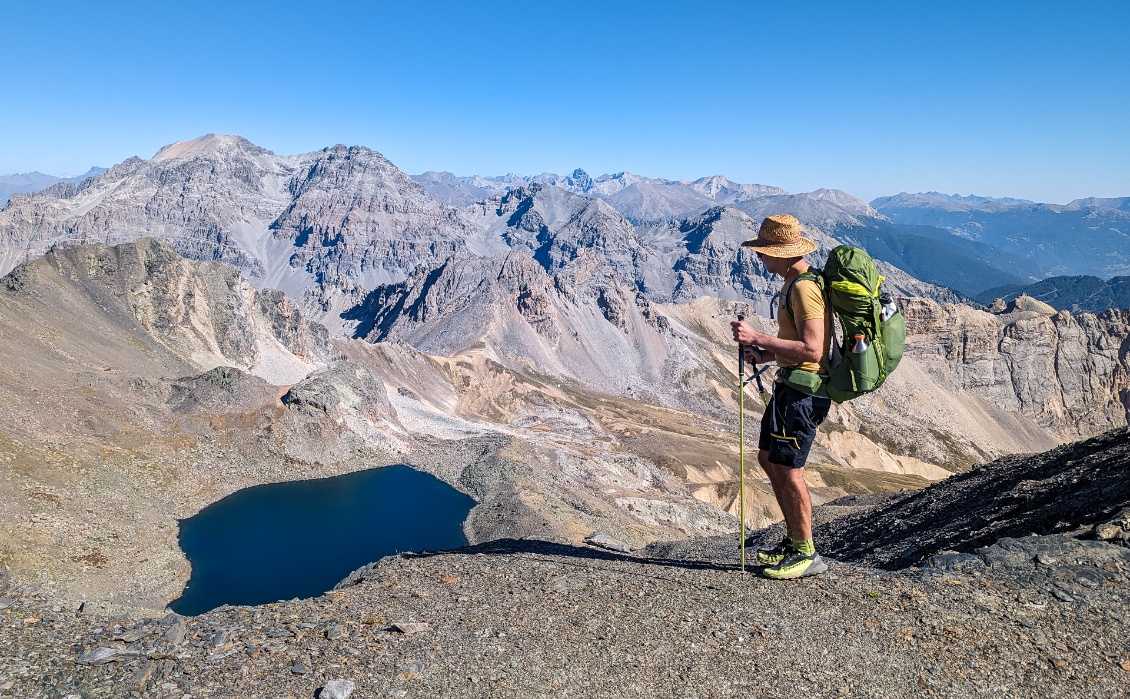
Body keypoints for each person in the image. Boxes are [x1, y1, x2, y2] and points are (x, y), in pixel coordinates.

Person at [730, 214, 832, 579]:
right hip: (790, 385)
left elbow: (814, 349)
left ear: (784, 253)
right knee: (767, 458)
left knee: (790, 470)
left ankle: (806, 553)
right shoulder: (793, 283)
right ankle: (793, 541)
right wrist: (768, 356)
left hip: (804, 392)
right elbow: (798, 347)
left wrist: (758, 338)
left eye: (764, 253)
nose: (760, 259)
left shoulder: (804, 288)